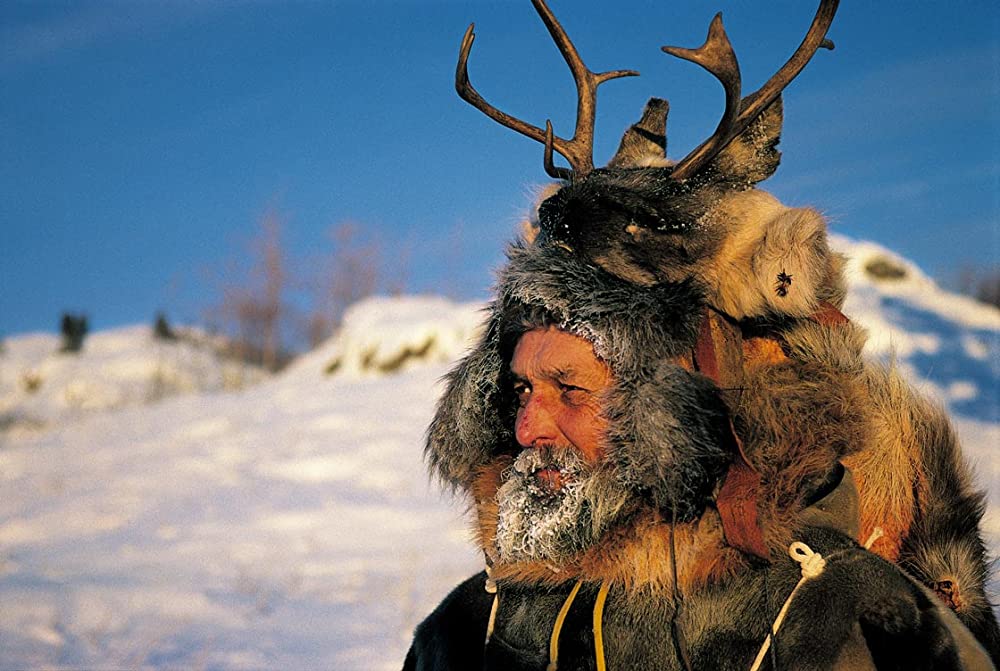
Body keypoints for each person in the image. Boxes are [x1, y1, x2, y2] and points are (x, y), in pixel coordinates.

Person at [403, 240, 993, 670]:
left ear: (669, 407)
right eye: (521, 391)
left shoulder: (833, 608)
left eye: (571, 389)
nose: (529, 427)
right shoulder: (469, 628)